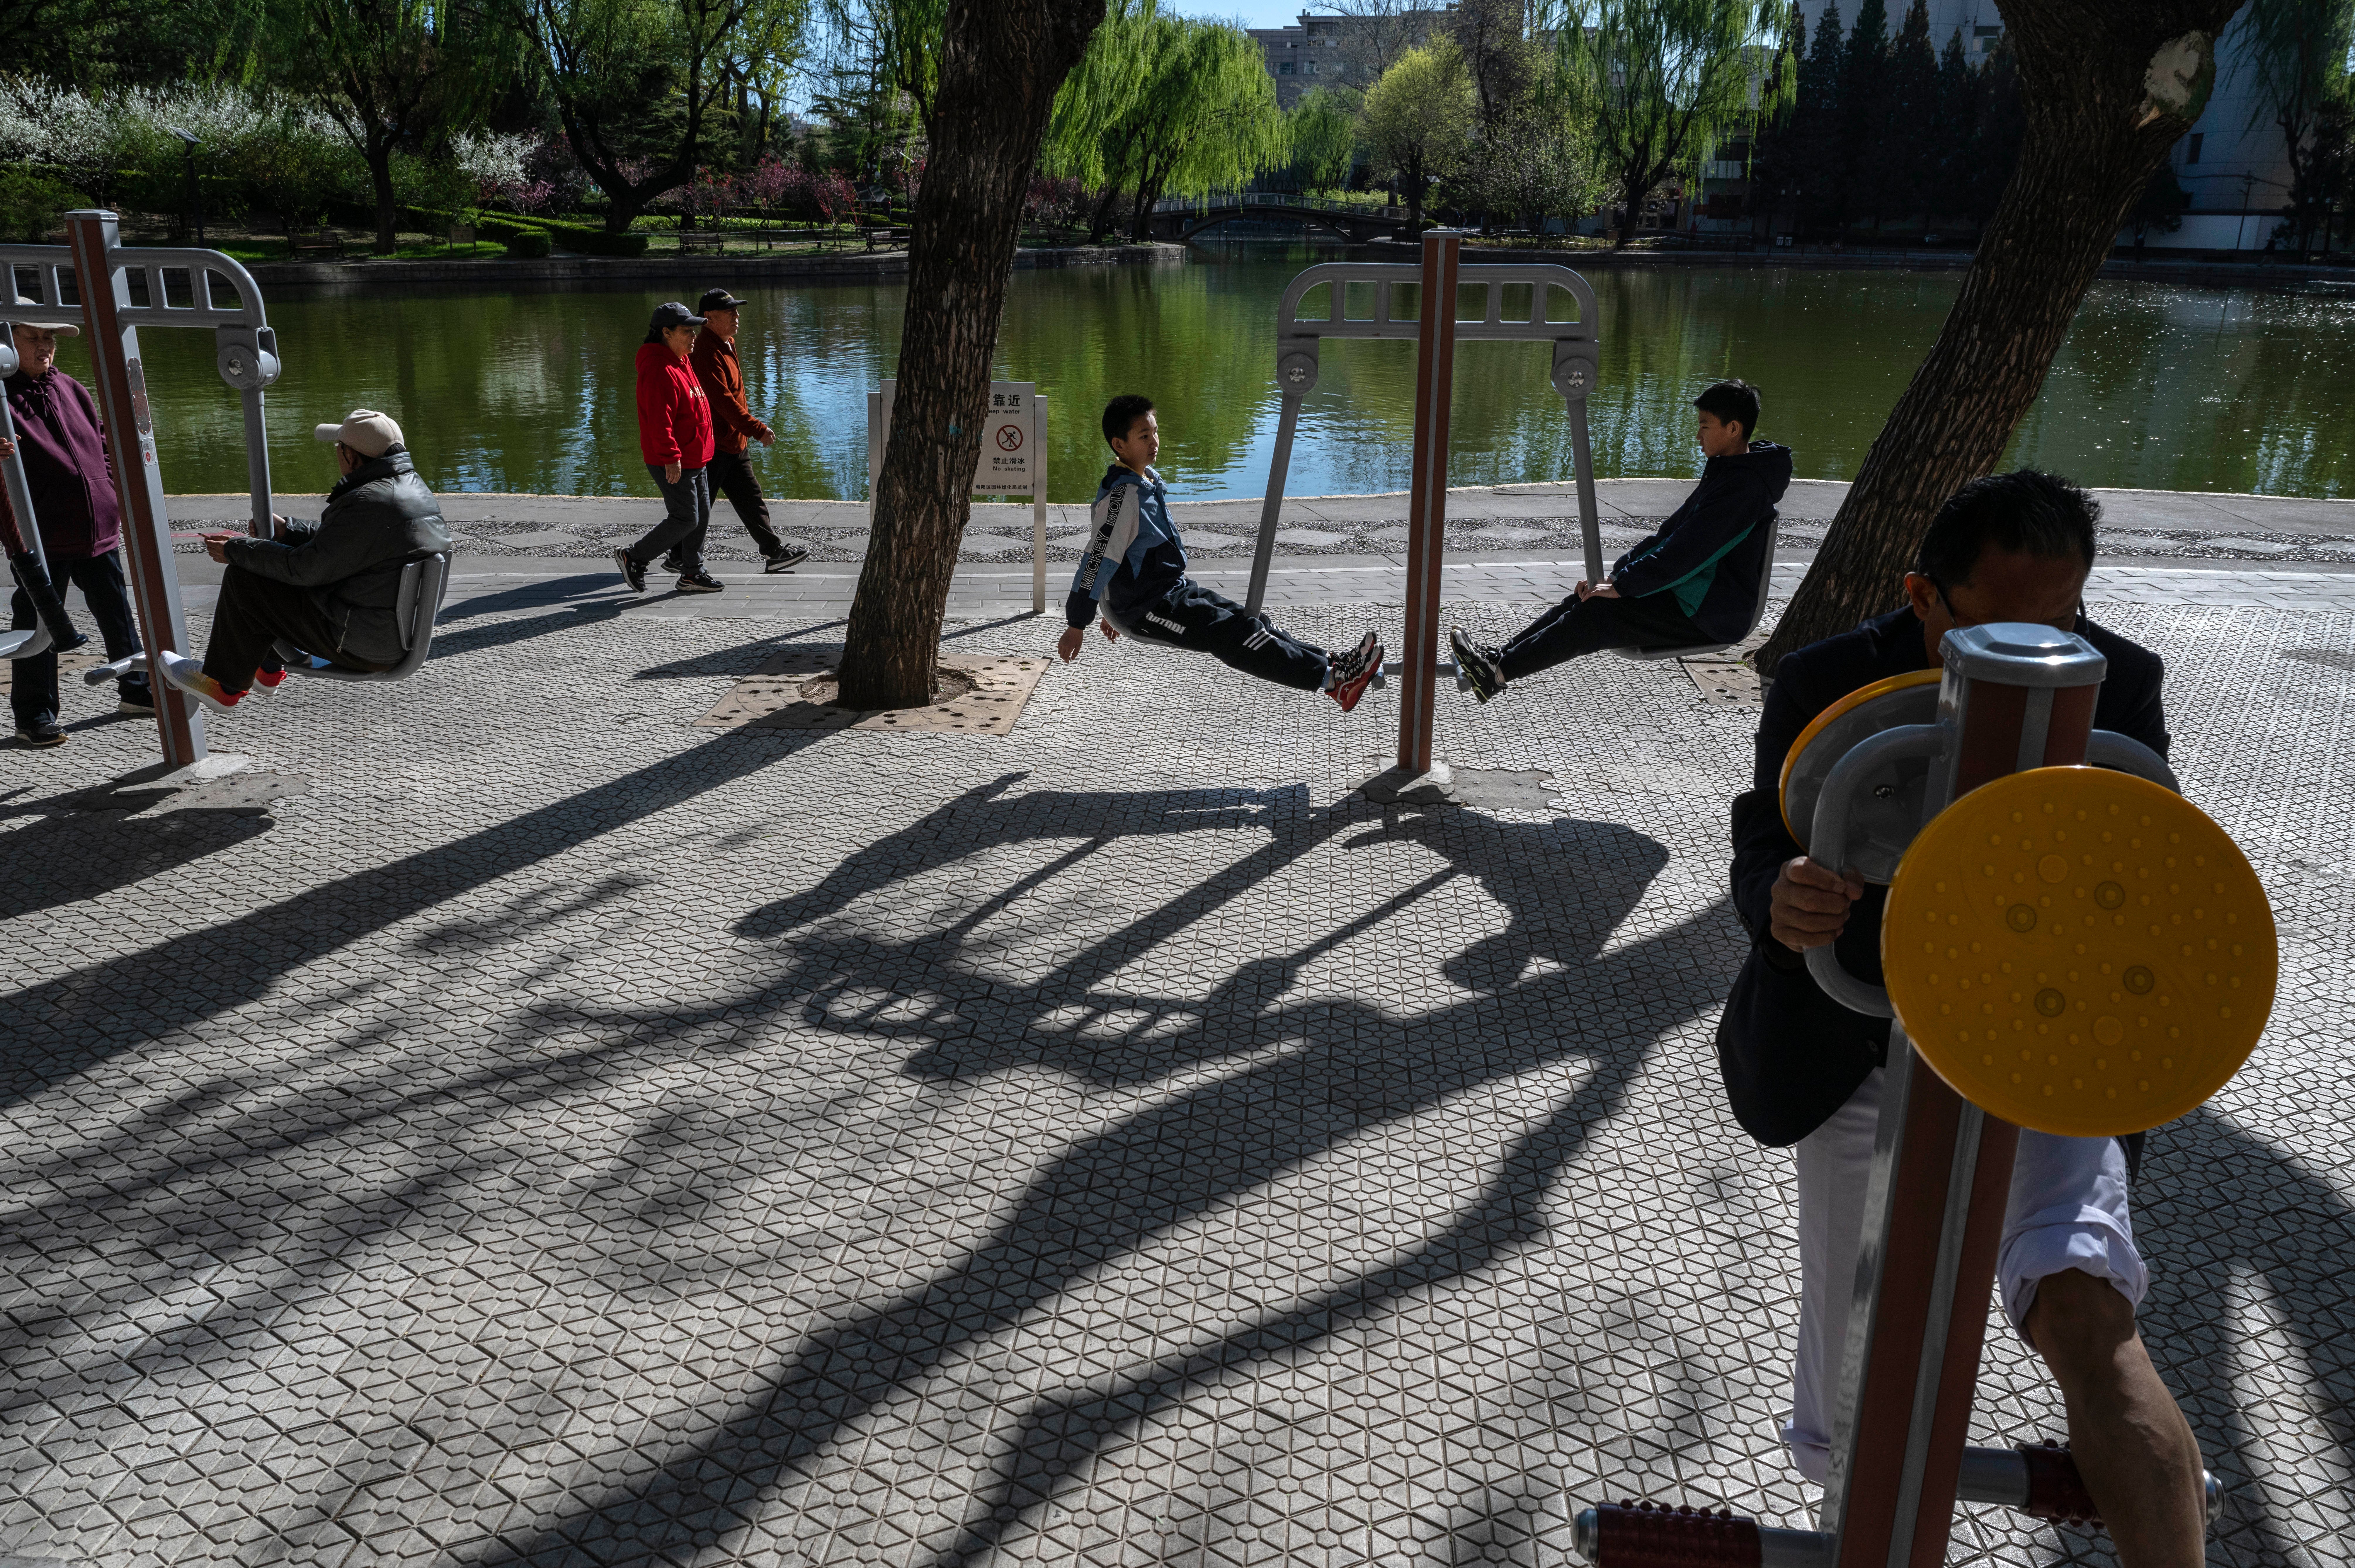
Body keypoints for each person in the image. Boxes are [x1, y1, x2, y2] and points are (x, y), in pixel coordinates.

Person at [1721, 470, 2206, 1565]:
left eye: (2062, 622)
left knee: (2091, 1319)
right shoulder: (1827, 676)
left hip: (2041, 1038)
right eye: (2001, 628)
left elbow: (2145, 861)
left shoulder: (2119, 679)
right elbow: (1763, 833)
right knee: (1862, 1367)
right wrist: (1781, 896)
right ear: (1925, 598)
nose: (2041, 657)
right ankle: (1858, 1528)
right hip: (1860, 1036)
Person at [1450, 379, 1790, 701]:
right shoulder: (1731, 472)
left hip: (1712, 612)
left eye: (1704, 426)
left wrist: (1625, 585)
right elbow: (1670, 534)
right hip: (1693, 595)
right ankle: (1497, 659)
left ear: (1733, 429)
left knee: (1597, 615)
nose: (1697, 435)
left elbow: (1688, 552)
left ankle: (1497, 673)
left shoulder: (1743, 489)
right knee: (1588, 597)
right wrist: (1615, 578)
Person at [1059, 394, 1383, 711]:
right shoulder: (1122, 497)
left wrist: (1110, 602)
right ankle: (1332, 681)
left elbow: (1126, 555)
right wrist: (1079, 621)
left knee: (1253, 620)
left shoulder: (1145, 482)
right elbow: (1098, 559)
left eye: (1155, 431)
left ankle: (1335, 664)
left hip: (1169, 591)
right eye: (1144, 436)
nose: (1154, 441)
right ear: (1119, 445)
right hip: (1145, 607)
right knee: (1232, 635)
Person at [151, 410, 454, 712]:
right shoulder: (408, 489)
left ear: (351, 455)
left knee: (246, 579)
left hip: (361, 643)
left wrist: (236, 549)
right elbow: (344, 542)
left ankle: (221, 685)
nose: (337, 453)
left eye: (339, 447)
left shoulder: (368, 500)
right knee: (269, 576)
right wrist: (290, 530)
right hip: (385, 635)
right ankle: (267, 670)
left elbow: (304, 569)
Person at [2, 304, 153, 747]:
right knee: (38, 627)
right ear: (7, 341)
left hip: (98, 529)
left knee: (118, 616)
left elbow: (102, 444)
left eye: (50, 339)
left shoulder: (71, 387)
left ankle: (139, 692)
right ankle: (35, 716)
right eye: (33, 338)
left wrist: (107, 492)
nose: (46, 346)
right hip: (41, 538)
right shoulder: (1, 397)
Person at [682, 287, 808, 575]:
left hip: (732, 443)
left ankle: (773, 552)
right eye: (729, 312)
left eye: (736, 310)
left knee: (750, 498)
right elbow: (722, 401)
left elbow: (733, 397)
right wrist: (757, 429)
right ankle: (649, 555)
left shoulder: (726, 342)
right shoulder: (705, 350)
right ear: (708, 317)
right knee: (696, 510)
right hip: (714, 444)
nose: (737, 316)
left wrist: (745, 432)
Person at [613, 302, 722, 596]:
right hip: (675, 459)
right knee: (686, 517)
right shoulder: (658, 367)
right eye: (687, 331)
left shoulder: (680, 360)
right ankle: (634, 557)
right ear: (666, 332)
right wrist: (671, 457)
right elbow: (659, 421)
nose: (693, 336)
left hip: (695, 455)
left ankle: (692, 573)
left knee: (701, 514)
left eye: (694, 330)